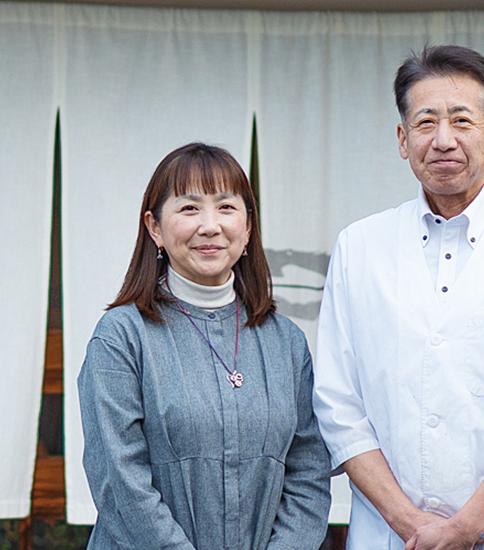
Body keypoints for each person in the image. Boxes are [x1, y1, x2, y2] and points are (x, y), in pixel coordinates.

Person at [313, 45, 484, 549]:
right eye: (425, 123)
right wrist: (413, 526)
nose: (443, 140)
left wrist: (465, 528)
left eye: (462, 120)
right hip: (390, 536)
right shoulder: (360, 246)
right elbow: (337, 404)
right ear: (402, 138)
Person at [78, 142, 331, 550]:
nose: (210, 225)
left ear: (248, 227)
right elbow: (119, 479)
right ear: (155, 227)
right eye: (189, 208)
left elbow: (308, 472)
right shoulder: (122, 335)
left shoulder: (286, 342)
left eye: (226, 207)